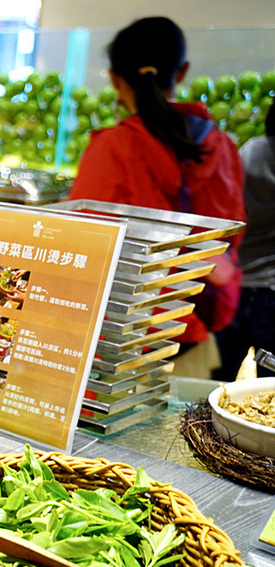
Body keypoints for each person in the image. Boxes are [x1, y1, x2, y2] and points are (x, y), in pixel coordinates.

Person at [68, 16, 245, 378]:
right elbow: (232, 237)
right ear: (181, 72)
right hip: (192, 341)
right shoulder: (222, 148)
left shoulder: (112, 149)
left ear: (116, 79)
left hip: (117, 346)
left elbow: (82, 249)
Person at [215, 102, 275, 380]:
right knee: (269, 386)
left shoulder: (251, 151)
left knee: (215, 382)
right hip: (270, 290)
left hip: (235, 284)